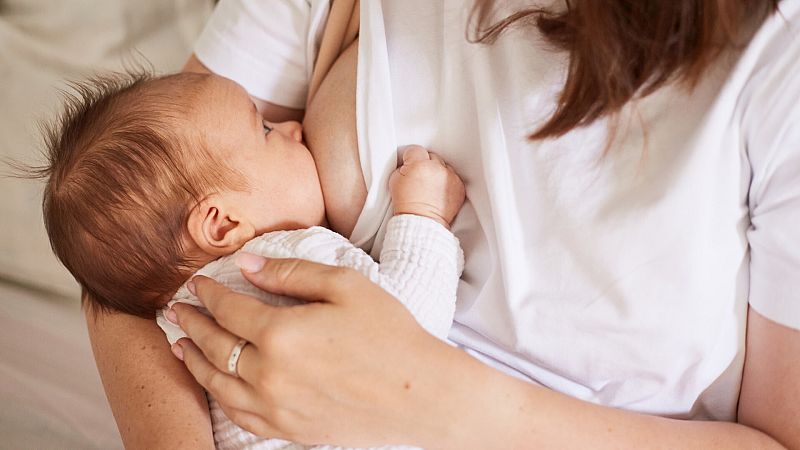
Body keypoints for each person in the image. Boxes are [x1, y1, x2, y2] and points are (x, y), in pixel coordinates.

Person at [88, 0, 800, 448]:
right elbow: (131, 253)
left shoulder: (779, 59)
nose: (293, 128)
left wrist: (424, 398)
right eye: (272, 131)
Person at [34, 68, 465, 448]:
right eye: (264, 130)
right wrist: (423, 214)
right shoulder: (287, 259)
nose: (294, 126)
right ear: (222, 224)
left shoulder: (174, 326)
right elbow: (411, 332)